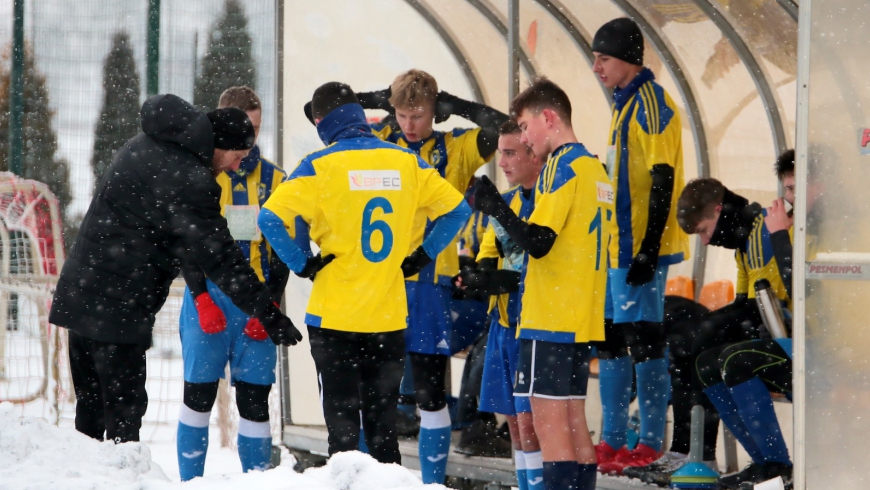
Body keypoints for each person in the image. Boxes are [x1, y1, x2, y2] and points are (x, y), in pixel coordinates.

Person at [49, 94, 302, 445]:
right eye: (237, 157)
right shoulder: (189, 178)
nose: (234, 167)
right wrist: (268, 311)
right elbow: (220, 256)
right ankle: (120, 481)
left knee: (90, 415)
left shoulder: (150, 144)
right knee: (123, 418)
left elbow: (174, 237)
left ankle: (86, 480)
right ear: (221, 145)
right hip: (116, 308)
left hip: (83, 293)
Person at [260, 82, 470, 466]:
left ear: (323, 122)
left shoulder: (317, 166)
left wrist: (301, 262)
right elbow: (458, 211)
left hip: (333, 316)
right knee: (383, 431)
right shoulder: (407, 161)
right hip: (387, 315)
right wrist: (421, 257)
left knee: (342, 435)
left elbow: (269, 217)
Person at [353, 69, 509, 484]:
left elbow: (504, 126)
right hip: (381, 279)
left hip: (430, 283)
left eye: (419, 115)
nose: (409, 125)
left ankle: (432, 482)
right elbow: (320, 108)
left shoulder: (455, 148)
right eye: (402, 114)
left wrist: (455, 104)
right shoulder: (378, 139)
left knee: (428, 390)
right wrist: (379, 98)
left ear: (434, 114)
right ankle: (375, 476)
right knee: (377, 385)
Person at [473, 77, 614, 490]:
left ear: (548, 118)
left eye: (525, 125)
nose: (526, 138)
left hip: (550, 316)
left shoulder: (561, 166)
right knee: (574, 427)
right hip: (582, 317)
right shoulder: (595, 169)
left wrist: (495, 206)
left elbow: (539, 243)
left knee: (551, 432)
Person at [175, 86, 305, 480]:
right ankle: (189, 483)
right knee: (197, 396)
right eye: (245, 129)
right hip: (209, 299)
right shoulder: (199, 174)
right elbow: (185, 240)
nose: (250, 141)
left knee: (254, 401)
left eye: (258, 128)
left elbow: (286, 248)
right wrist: (200, 298)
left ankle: (258, 481)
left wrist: (272, 303)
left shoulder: (279, 180)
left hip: (257, 302)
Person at [590, 17, 690, 475]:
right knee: (610, 340)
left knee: (644, 339)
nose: (596, 67)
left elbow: (663, 176)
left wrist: (649, 247)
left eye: (603, 58)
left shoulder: (652, 103)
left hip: (638, 246)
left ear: (628, 58)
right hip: (616, 245)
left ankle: (649, 441)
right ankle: (611, 440)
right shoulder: (622, 102)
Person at [688, 151, 799, 489]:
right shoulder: (753, 241)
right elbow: (747, 305)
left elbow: (800, 288)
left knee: (736, 359)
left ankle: (778, 464)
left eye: (797, 187)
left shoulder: (803, 229)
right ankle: (764, 461)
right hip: (792, 341)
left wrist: (780, 234)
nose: (791, 198)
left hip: (821, 350)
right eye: (789, 190)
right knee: (707, 361)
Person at [455, 120, 544, 489]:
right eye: (500, 153)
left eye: (510, 153)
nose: (503, 162)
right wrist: (476, 277)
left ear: (532, 154)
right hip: (503, 325)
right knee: (515, 426)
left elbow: (539, 259)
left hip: (534, 328)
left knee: (530, 425)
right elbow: (490, 255)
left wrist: (503, 279)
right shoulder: (504, 202)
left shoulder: (547, 200)